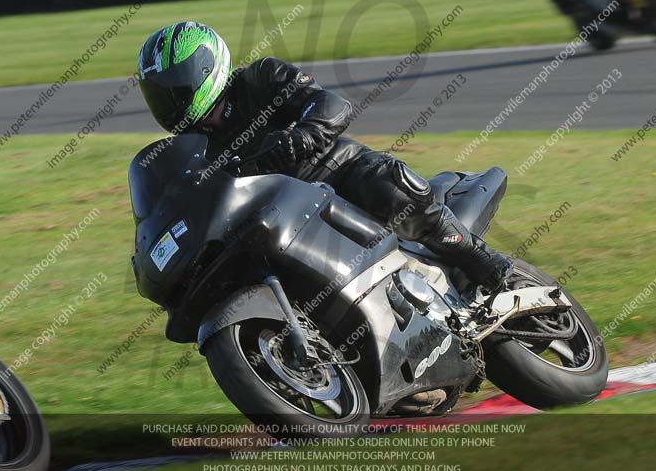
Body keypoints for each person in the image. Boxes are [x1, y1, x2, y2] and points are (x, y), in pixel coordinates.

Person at [137, 21, 512, 291]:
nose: (169, 103)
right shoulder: (192, 147)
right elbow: (179, 197)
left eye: (175, 89)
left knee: (389, 188)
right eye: (159, 96)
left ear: (203, 70)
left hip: (336, 171)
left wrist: (303, 134)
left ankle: (480, 259)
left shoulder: (260, 78)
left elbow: (329, 103)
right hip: (275, 217)